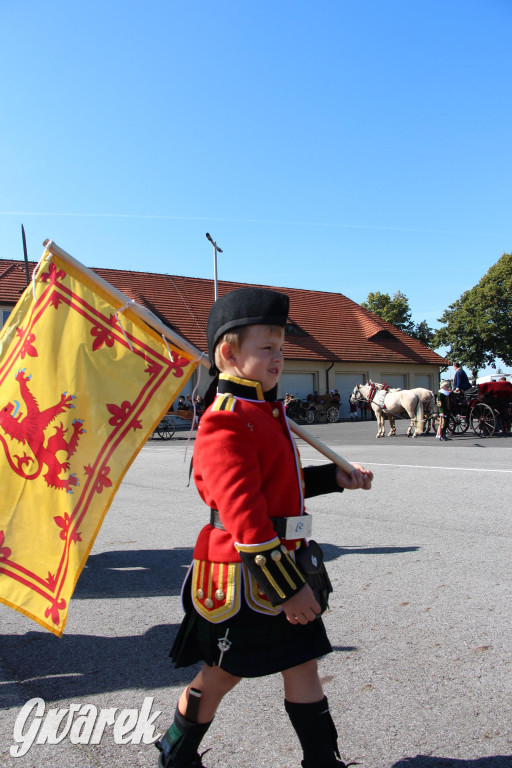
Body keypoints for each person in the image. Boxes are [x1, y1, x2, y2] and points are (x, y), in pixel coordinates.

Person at [156, 287, 373, 768]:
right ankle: (175, 754)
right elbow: (248, 519)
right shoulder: (226, 421)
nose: (278, 358)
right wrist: (289, 590)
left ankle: (322, 761)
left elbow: (279, 488)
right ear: (229, 354)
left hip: (280, 561)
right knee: (220, 676)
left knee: (302, 665)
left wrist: (333, 479)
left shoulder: (265, 412)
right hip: (245, 575)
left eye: (281, 348)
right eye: (266, 348)